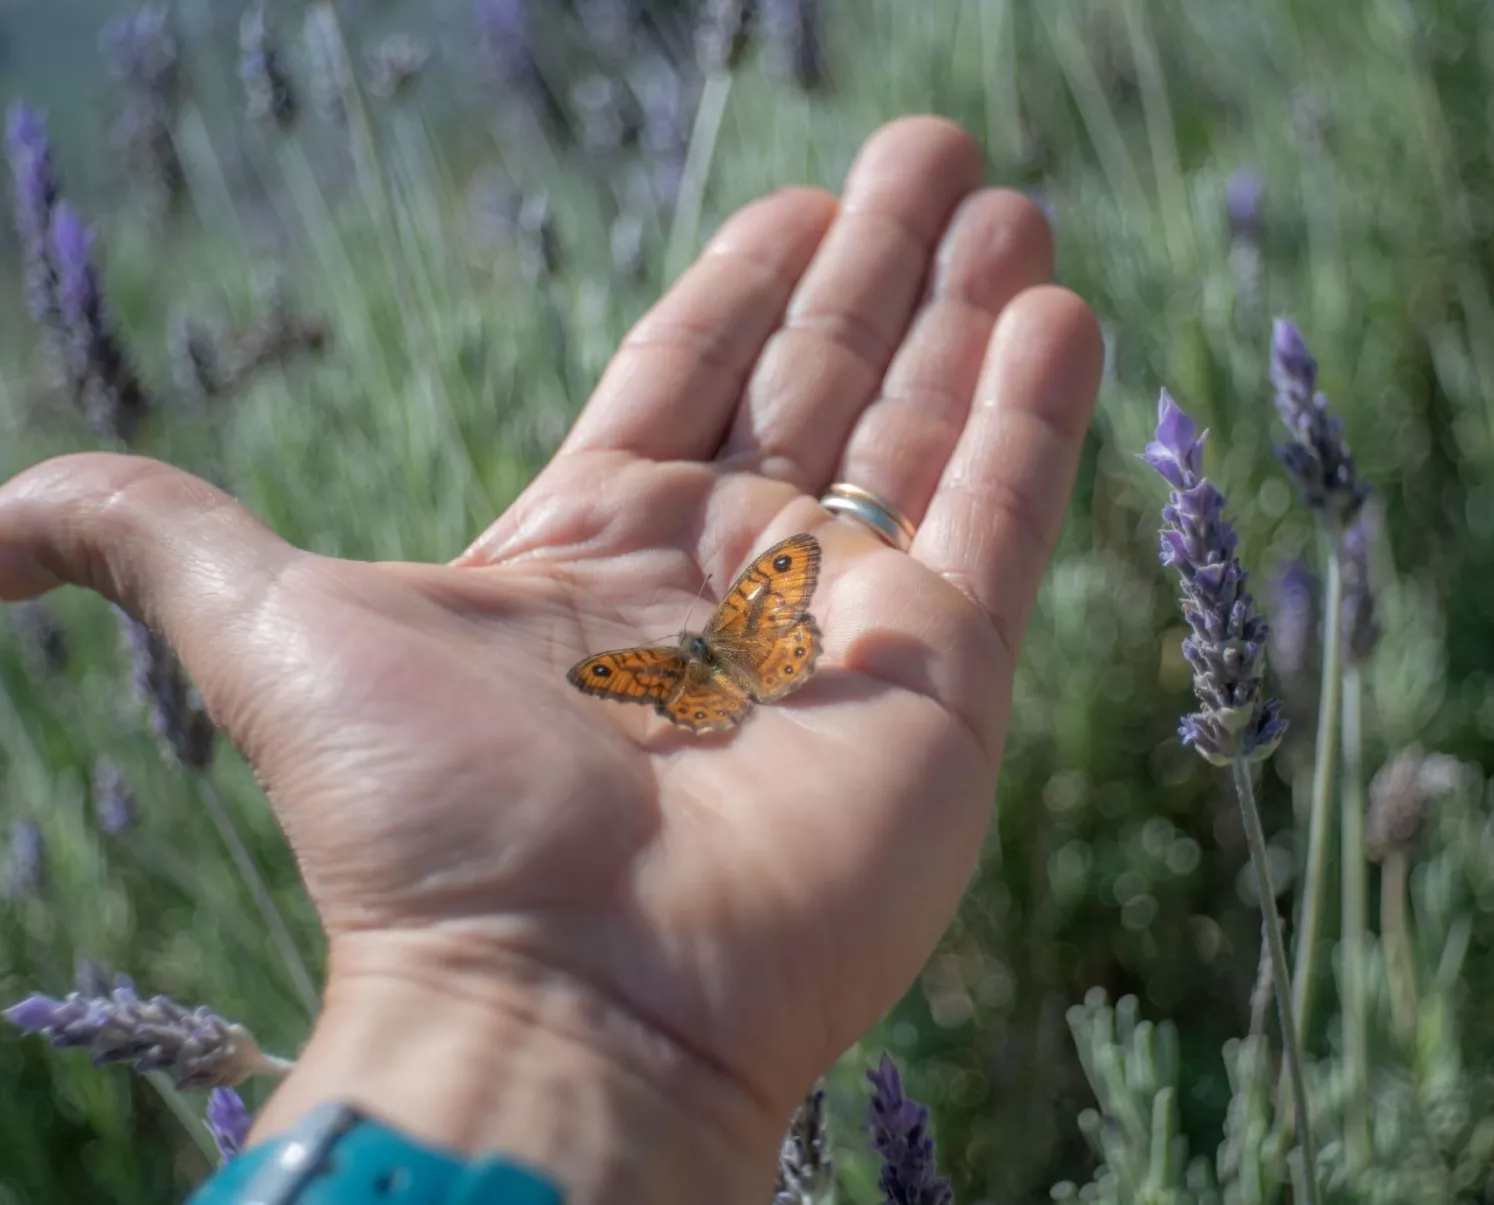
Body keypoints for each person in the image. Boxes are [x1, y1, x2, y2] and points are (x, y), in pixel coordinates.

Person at [0, 116, 1101, 1202]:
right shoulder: (728, 637)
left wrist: (503, 1016)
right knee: (761, 628)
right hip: (746, 668)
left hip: (707, 688)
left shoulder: (675, 669)